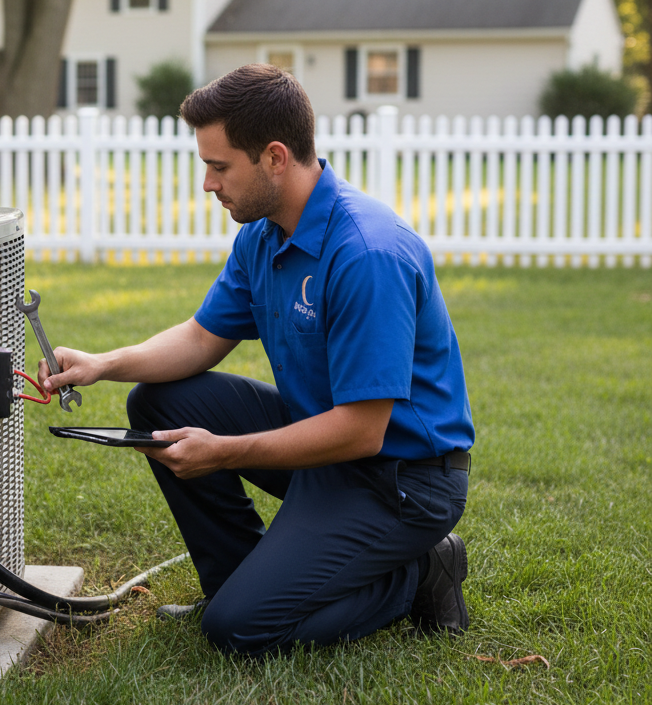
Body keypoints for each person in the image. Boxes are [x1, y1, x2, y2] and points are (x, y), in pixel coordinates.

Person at [40, 64, 474, 658]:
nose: (208, 184)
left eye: (219, 167)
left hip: (401, 479)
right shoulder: (264, 234)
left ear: (274, 157)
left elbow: (363, 430)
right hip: (327, 451)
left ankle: (420, 572)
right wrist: (102, 363)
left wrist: (223, 452)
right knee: (159, 402)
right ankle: (236, 583)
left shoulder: (368, 253)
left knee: (239, 632)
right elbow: (200, 338)